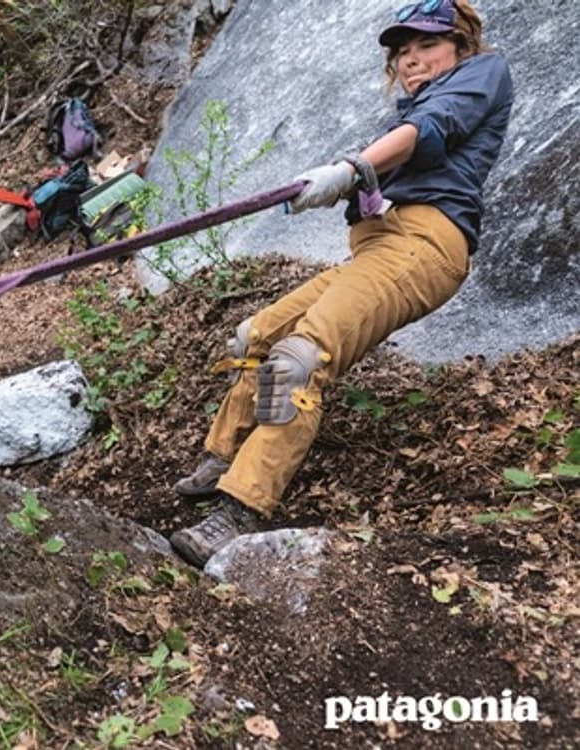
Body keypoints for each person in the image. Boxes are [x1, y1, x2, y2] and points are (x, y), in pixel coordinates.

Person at [168, 0, 513, 567]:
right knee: (256, 335)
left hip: (423, 246)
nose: (411, 60)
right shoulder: (406, 115)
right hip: (376, 247)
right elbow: (396, 153)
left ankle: (240, 509)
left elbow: (431, 127)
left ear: (461, 46)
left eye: (427, 45)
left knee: (298, 361)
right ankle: (222, 457)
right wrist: (340, 184)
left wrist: (353, 169)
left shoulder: (482, 73)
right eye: (402, 52)